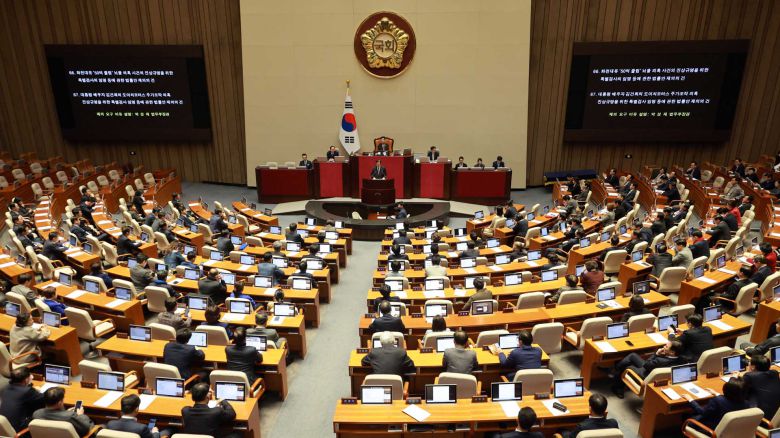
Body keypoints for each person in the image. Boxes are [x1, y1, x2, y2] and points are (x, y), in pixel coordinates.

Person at [610, 340, 683, 398]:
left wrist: (656, 354)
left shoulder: (660, 361)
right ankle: (615, 369)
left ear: (672, 352)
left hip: (646, 375)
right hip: (654, 372)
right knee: (633, 355)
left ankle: (617, 388)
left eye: (666, 347)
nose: (663, 347)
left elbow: (646, 365)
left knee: (627, 367)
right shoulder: (681, 359)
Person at [683, 377, 749, 430]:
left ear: (726, 389)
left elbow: (703, 412)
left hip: (712, 429)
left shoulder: (717, 401)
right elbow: (729, 400)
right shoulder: (746, 404)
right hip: (732, 430)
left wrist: (691, 400)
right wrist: (717, 394)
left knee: (688, 417)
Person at [742, 354, 780, 419]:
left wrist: (734, 378)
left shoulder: (749, 376)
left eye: (749, 363)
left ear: (753, 367)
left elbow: (740, 392)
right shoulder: (775, 373)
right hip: (775, 413)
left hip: (760, 417)